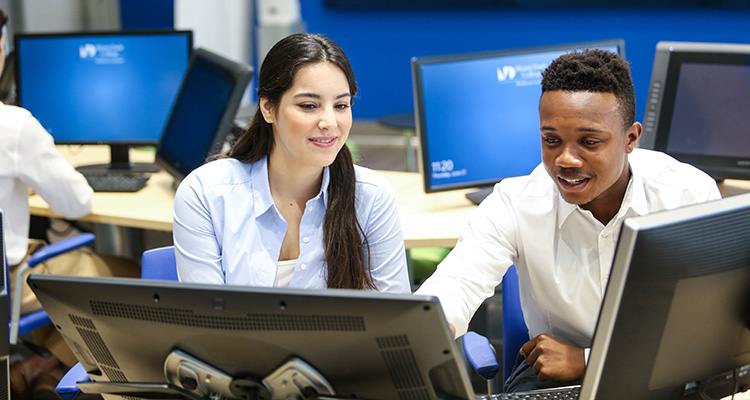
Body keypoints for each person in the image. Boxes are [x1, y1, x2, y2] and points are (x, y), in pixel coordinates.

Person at [415, 49, 721, 392]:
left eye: (589, 142)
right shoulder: (515, 203)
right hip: (553, 380)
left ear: (631, 138)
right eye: (551, 140)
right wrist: (416, 335)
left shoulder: (688, 195)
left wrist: (588, 359)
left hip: (666, 370)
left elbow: (709, 325)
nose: (566, 159)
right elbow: (456, 287)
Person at [173, 33, 410, 293]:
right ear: (268, 108)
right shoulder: (205, 193)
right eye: (309, 105)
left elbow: (393, 317)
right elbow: (207, 323)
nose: (329, 122)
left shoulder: (371, 195)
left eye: (341, 105)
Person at [0, 9, 139, 399]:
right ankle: (54, 371)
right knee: (132, 273)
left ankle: (39, 368)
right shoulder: (12, 127)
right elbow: (77, 202)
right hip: (7, 280)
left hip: (9, 271)